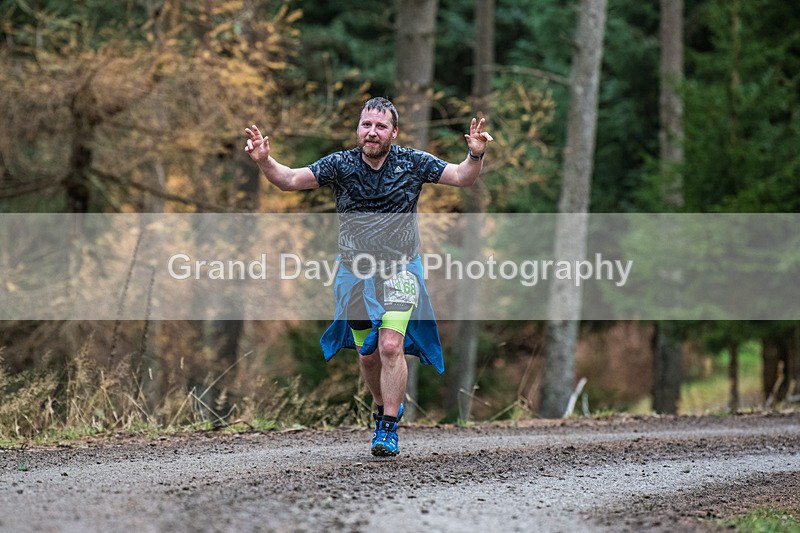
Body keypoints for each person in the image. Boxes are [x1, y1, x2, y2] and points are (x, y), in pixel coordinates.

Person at [245, 97, 492, 456]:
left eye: (380, 126)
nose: (371, 132)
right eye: (366, 125)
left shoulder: (412, 162)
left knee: (390, 345)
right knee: (367, 354)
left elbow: (460, 178)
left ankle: (388, 428)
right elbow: (291, 180)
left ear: (394, 132)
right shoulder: (340, 164)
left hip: (401, 269)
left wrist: (475, 155)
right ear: (358, 129)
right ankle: (382, 407)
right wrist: (265, 160)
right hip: (354, 275)